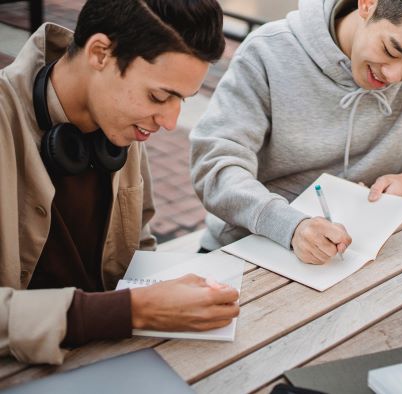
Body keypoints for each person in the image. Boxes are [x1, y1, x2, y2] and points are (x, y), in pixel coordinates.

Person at [0, 0, 239, 365]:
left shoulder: (121, 126)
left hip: (114, 358)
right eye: (159, 96)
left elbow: (137, 247)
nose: (171, 121)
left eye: (181, 101)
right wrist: (131, 311)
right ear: (100, 53)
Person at [190, 0, 402, 264]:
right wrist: (290, 225)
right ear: (367, 4)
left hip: (356, 254)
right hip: (248, 248)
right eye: (391, 50)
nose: (394, 76)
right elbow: (217, 166)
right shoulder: (268, 51)